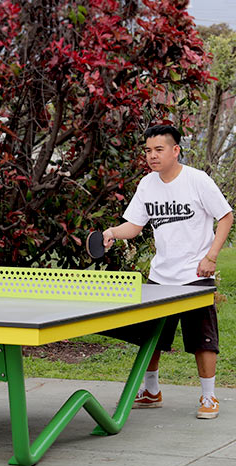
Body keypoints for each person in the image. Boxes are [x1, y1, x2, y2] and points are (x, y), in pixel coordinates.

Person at [103, 124, 233, 420]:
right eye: (148, 151)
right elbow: (134, 225)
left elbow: (225, 216)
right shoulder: (147, 184)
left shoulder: (197, 180)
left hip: (195, 275)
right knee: (151, 337)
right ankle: (152, 391)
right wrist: (112, 231)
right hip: (160, 276)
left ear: (176, 150)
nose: (152, 156)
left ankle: (209, 397)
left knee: (203, 338)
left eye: (158, 150)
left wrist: (211, 256)